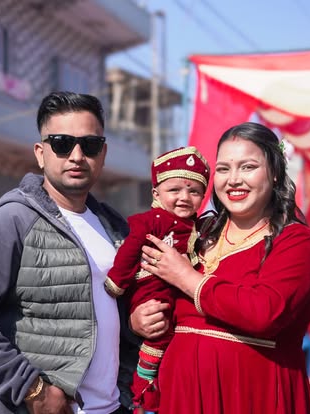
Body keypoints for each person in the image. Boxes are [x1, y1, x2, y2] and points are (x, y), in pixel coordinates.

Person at [0, 91, 157, 414]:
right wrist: (32, 389)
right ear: (41, 153)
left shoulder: (115, 228)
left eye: (90, 145)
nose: (77, 156)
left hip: (113, 406)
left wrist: (135, 325)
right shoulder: (11, 222)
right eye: (62, 143)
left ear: (103, 153)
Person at [134, 121, 310, 413]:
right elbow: (150, 289)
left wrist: (188, 278)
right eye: (224, 169)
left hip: (255, 395)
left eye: (248, 167)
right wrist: (138, 319)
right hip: (182, 395)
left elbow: (264, 312)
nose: (233, 180)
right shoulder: (196, 233)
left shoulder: (296, 241)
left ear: (275, 172)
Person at [104, 147, 210, 412]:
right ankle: (144, 385)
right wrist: (117, 281)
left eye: (194, 191)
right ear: (156, 194)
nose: (184, 197)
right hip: (153, 290)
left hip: (179, 298)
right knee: (159, 334)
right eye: (174, 190)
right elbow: (129, 252)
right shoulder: (149, 221)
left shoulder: (202, 228)